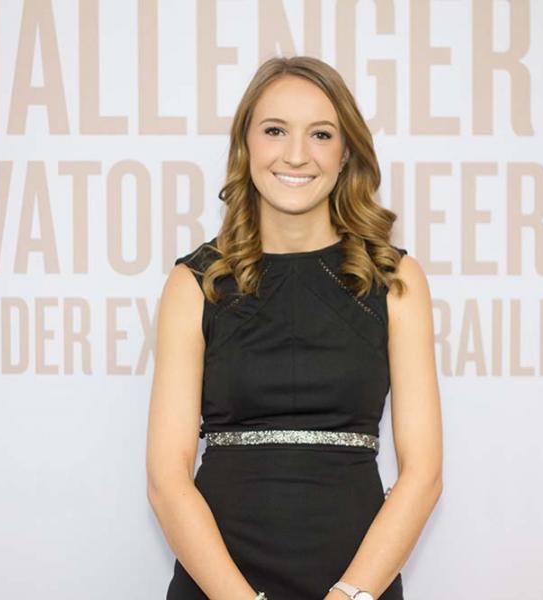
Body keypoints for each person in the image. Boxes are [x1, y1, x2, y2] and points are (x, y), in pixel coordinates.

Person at [147, 55, 443, 600]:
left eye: (321, 134)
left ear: (345, 152)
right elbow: (167, 478)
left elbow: (423, 474)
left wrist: (349, 595)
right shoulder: (196, 283)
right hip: (219, 585)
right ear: (246, 143)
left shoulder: (396, 279)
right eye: (275, 130)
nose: (297, 154)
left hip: (358, 583)